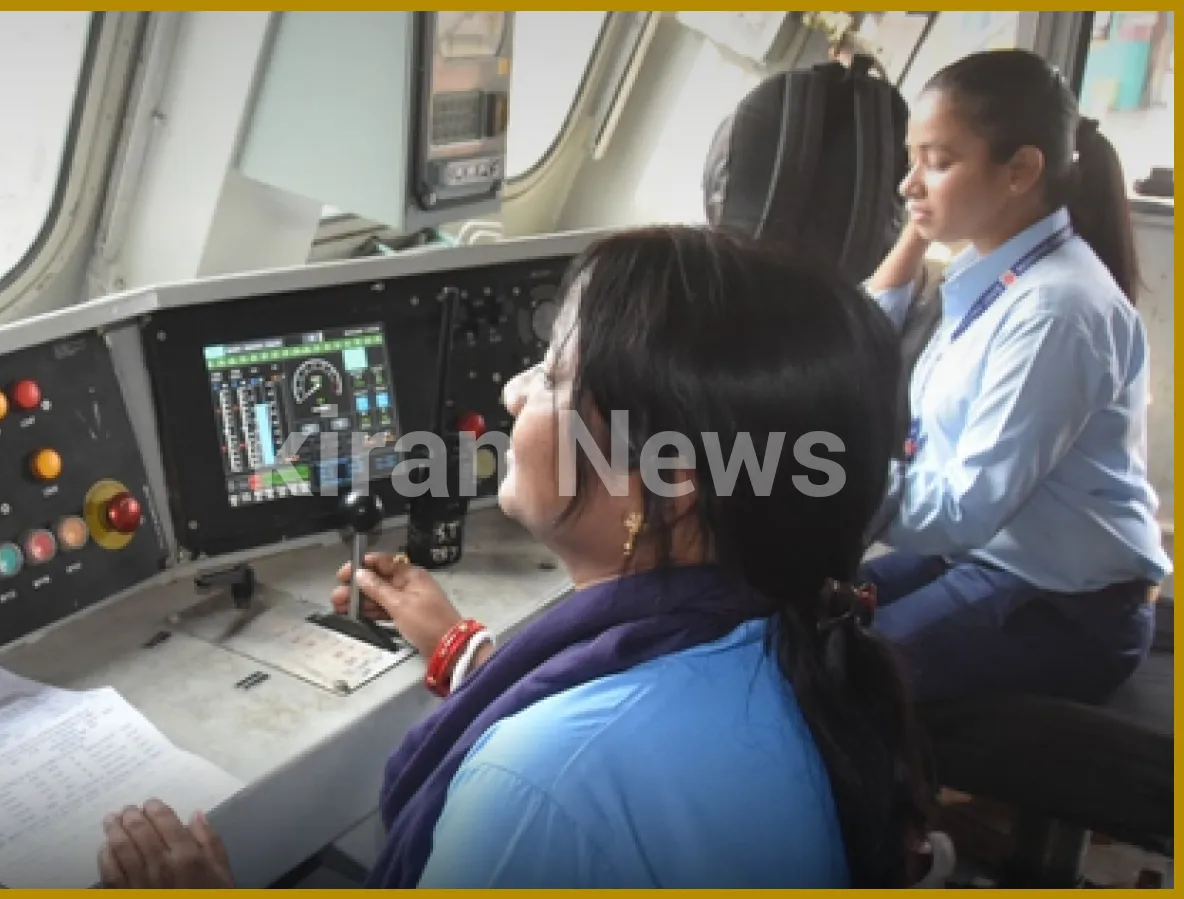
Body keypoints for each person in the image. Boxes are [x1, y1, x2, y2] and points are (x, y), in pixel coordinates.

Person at [94, 226, 944, 888]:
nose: (512, 391)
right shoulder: (785, 631)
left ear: (673, 472)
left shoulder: (538, 788)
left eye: (554, 374)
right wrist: (464, 650)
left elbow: (585, 771)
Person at [863, 48, 1171, 705]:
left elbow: (962, 511)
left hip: (1065, 604)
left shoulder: (1056, 310)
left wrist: (817, 483)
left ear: (1021, 170)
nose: (906, 184)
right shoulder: (997, 276)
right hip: (994, 554)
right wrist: (922, 226)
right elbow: (862, 336)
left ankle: (888, 807)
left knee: (836, 673)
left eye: (938, 162)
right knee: (793, 620)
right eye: (912, 158)